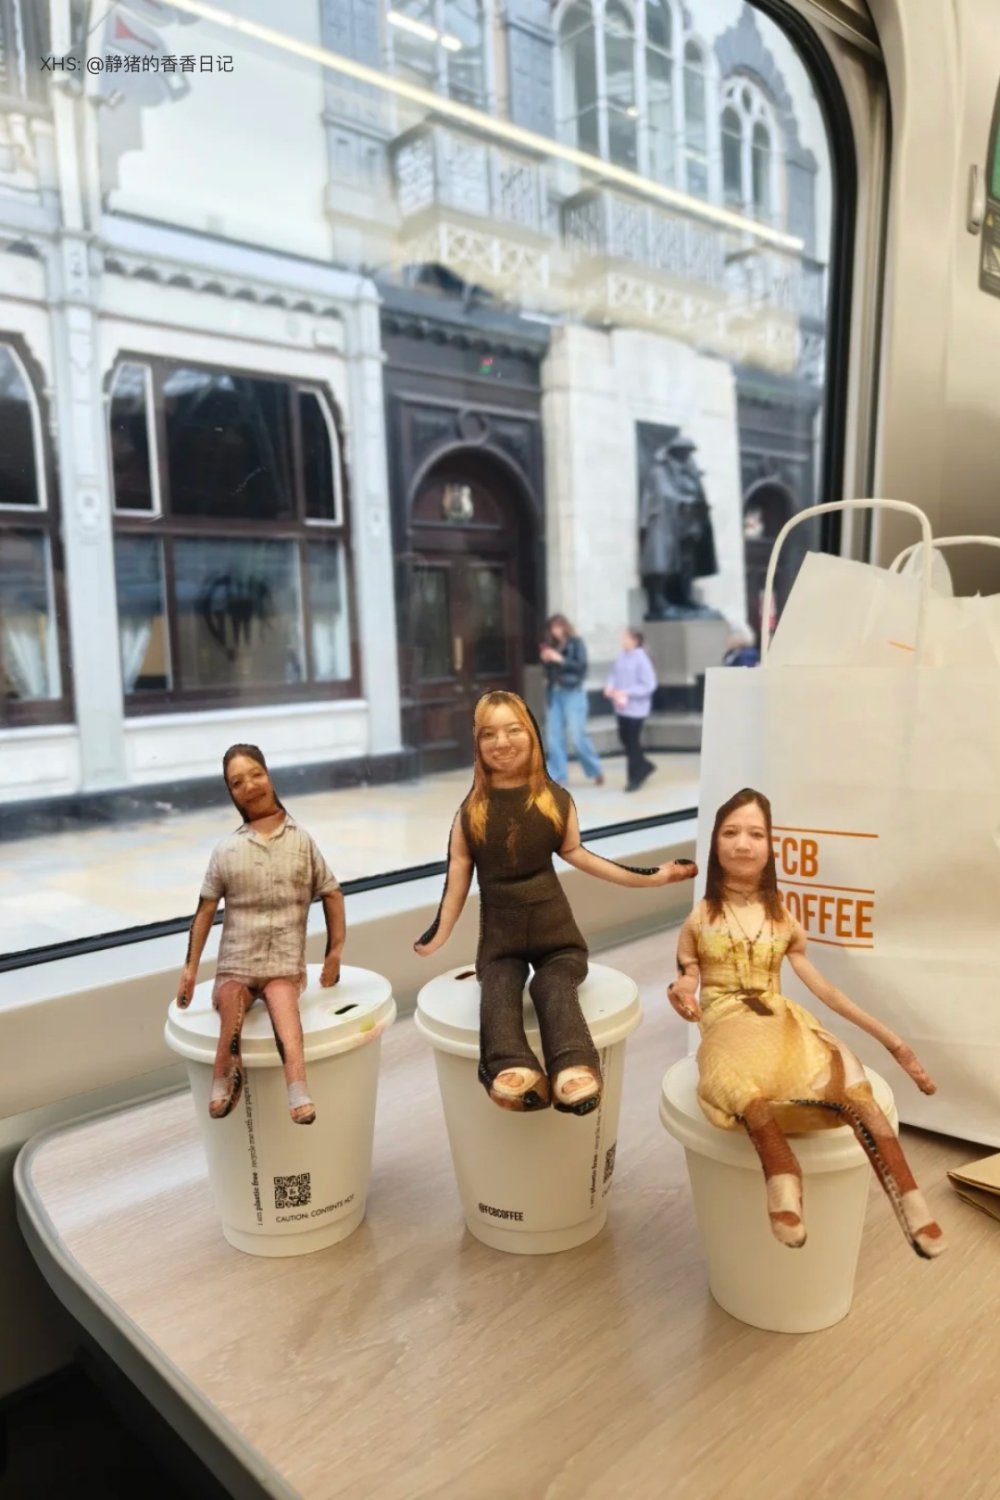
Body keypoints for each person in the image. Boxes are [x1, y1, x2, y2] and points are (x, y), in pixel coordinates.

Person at [667, 787, 944, 1259]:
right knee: (738, 1083)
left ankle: (909, 1196)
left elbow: (826, 991)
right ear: (714, 842)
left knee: (848, 1079)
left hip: (781, 1018)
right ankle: (782, 1175)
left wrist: (894, 1043)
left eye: (756, 834)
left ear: (770, 845)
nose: (743, 844)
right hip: (727, 1020)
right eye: (730, 833)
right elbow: (687, 975)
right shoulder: (699, 918)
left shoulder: (783, 921)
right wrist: (682, 992)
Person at [415, 691, 696, 1115]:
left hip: (559, 939)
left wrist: (653, 876)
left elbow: (583, 856)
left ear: (532, 735)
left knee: (552, 986)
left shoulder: (555, 801)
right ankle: (508, 1062)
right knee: (499, 985)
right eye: (488, 734)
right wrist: (437, 935)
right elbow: (457, 877)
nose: (501, 742)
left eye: (513, 730)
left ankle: (572, 1063)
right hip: (500, 944)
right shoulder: (470, 813)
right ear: (477, 743)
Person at [175, 744, 345, 1125]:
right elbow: (205, 910)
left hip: (284, 964)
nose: (250, 786)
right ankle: (223, 1075)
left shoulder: (302, 841)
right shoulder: (227, 850)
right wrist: (189, 970)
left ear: (268, 775)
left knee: (283, 1001)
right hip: (235, 965)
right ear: (231, 793)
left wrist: (335, 952)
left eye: (255, 774)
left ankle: (297, 1087)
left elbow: (332, 893)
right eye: (238, 782)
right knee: (231, 999)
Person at [638, 436, 719, 619]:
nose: (686, 456)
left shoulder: (691, 473)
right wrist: (686, 501)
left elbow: (698, 494)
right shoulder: (659, 472)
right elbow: (664, 494)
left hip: (689, 526)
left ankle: (684, 597)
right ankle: (658, 601)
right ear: (673, 452)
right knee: (661, 562)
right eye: (683, 452)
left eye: (688, 453)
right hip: (667, 524)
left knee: (687, 562)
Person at [539, 613, 603, 788]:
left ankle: (595, 769)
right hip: (554, 693)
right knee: (554, 736)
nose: (556, 631)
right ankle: (559, 775)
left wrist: (560, 659)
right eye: (552, 628)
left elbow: (581, 667)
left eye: (558, 627)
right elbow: (549, 672)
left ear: (565, 627)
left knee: (577, 735)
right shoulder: (552, 645)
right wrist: (546, 660)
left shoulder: (576, 643)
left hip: (573, 692)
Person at [604, 627, 658, 792]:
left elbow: (649, 685)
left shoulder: (642, 659)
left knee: (633, 742)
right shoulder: (621, 656)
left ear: (635, 640)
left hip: (636, 709)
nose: (622, 640)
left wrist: (627, 692)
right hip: (621, 707)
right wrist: (610, 687)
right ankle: (645, 765)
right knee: (625, 738)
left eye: (625, 637)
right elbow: (613, 674)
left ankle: (634, 778)